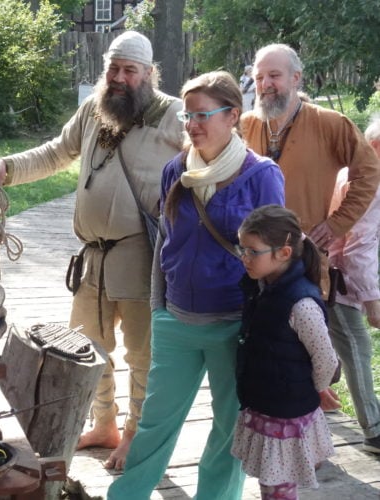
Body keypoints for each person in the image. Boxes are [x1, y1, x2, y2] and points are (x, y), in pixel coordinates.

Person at [0, 30, 184, 470]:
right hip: (92, 257)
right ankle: (104, 424)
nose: (119, 77)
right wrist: (7, 167)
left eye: (130, 70)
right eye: (113, 68)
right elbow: (57, 152)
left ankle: (136, 438)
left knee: (143, 357)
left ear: (149, 74)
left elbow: (211, 152)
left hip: (141, 257)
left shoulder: (173, 115)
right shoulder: (95, 109)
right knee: (90, 346)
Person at [108, 71, 285, 499]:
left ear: (233, 116)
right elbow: (165, 241)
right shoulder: (176, 170)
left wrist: (267, 327)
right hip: (176, 321)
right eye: (188, 115)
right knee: (154, 424)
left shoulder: (262, 176)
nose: (192, 125)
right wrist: (158, 307)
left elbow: (278, 258)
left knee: (228, 429)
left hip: (235, 325)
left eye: (203, 115)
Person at [233, 205, 339, 500]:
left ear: (283, 253)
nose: (244, 257)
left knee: (278, 489)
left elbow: (326, 359)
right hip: (266, 403)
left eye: (253, 251)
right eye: (242, 248)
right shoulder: (262, 287)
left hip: (284, 413)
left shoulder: (301, 304)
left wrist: (313, 390)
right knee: (273, 486)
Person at [241, 43, 380, 258]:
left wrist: (337, 224)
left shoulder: (329, 123)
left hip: (304, 256)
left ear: (295, 78)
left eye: (274, 75)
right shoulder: (246, 125)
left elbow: (369, 171)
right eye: (259, 78)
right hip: (252, 257)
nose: (265, 84)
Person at [324, 115, 380, 454]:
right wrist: (372, 299)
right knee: (358, 350)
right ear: (374, 146)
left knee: (333, 349)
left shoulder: (351, 173)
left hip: (329, 274)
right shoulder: (371, 183)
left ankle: (316, 400)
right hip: (338, 279)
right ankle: (374, 430)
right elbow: (359, 246)